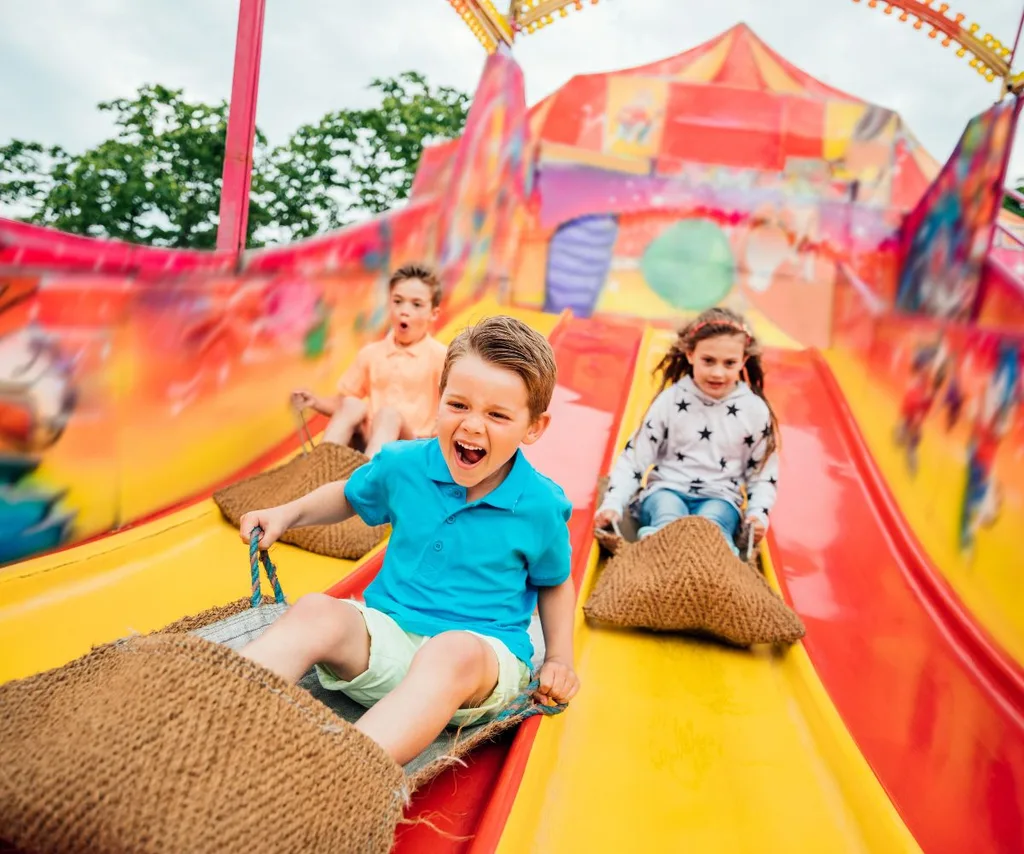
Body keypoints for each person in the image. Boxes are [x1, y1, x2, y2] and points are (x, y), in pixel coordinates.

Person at [239, 315, 581, 766]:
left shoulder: (539, 504)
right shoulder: (404, 464)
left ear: (533, 428)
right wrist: (286, 513)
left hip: (477, 663)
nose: (472, 427)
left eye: (497, 415)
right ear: (439, 401)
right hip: (389, 637)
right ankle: (219, 706)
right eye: (458, 405)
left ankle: (341, 773)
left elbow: (554, 581)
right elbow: (348, 495)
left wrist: (560, 657)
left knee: (450, 650)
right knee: (316, 610)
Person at [594, 307, 779, 555]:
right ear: (690, 354)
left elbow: (763, 473)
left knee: (712, 524)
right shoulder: (671, 401)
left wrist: (758, 514)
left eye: (729, 363)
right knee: (668, 513)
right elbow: (634, 458)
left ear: (743, 360)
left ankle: (718, 558)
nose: (717, 372)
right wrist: (613, 503)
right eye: (708, 360)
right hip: (666, 490)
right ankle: (655, 552)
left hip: (720, 497)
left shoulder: (754, 411)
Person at [291, 263, 447, 457]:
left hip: (412, 446)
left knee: (388, 415)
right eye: (398, 301)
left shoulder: (441, 356)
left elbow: (451, 407)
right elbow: (341, 402)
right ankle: (319, 466)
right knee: (352, 404)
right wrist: (314, 401)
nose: (404, 311)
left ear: (433, 313)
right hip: (372, 439)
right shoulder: (371, 353)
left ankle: (368, 479)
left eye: (416, 304)